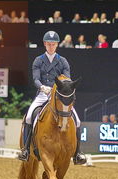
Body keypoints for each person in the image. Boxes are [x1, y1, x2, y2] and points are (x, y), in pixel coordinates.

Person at [18, 31, 86, 165]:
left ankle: (78, 153)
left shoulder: (62, 61)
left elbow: (67, 79)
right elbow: (36, 79)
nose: (50, 46)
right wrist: (42, 87)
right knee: (29, 117)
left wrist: (59, 89)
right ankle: (25, 150)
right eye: (48, 44)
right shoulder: (38, 60)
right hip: (43, 94)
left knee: (77, 121)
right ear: (44, 44)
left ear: (57, 45)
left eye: (53, 44)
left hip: (58, 96)